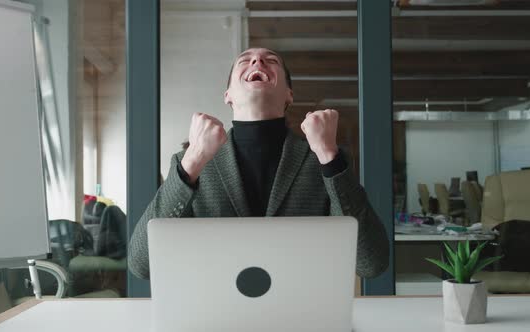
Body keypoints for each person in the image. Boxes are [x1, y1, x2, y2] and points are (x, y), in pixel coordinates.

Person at [128, 48, 389, 280]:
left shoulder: (324, 160)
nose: (257, 61)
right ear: (227, 95)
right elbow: (141, 265)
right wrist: (192, 161)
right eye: (245, 60)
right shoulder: (191, 162)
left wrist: (329, 156)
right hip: (214, 318)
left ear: (289, 94)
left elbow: (371, 264)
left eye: (271, 60)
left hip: (302, 317)